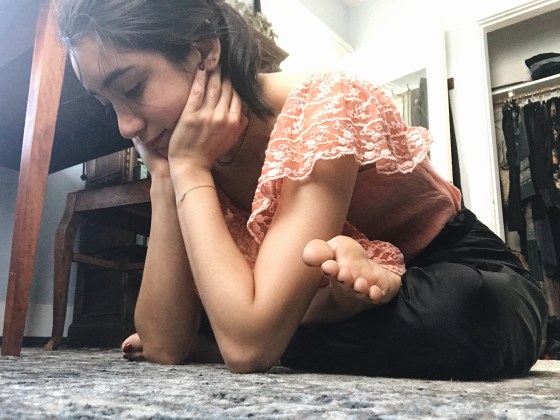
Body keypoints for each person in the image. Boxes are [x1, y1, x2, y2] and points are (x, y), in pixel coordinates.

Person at [53, 0, 548, 379]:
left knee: (462, 312)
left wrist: (242, 330)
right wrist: (170, 175)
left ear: (203, 52)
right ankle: (301, 316)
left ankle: (279, 324)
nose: (125, 126)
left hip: (453, 267)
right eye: (107, 104)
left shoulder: (322, 103)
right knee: (248, 317)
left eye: (133, 88)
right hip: (328, 298)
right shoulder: (183, 152)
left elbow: (247, 350)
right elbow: (162, 345)